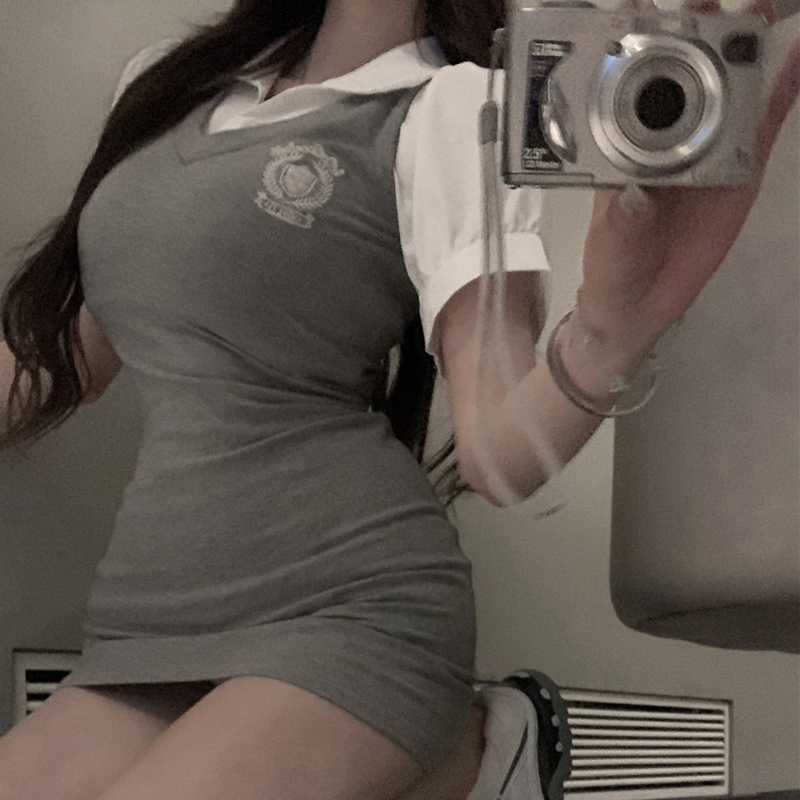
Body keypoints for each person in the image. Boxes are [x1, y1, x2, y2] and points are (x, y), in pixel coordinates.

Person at [0, 0, 797, 797]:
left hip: (347, 610)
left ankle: (472, 753)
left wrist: (614, 331)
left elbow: (498, 456)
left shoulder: (456, 106)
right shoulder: (166, 85)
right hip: (145, 624)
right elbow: (63, 360)